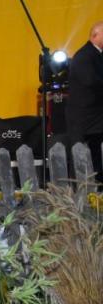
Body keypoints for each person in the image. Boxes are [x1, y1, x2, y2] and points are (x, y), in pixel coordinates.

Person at [66, 21, 103, 183]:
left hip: (96, 119)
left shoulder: (97, 55)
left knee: (97, 156)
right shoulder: (84, 55)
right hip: (85, 119)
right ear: (95, 35)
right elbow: (91, 81)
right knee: (83, 158)